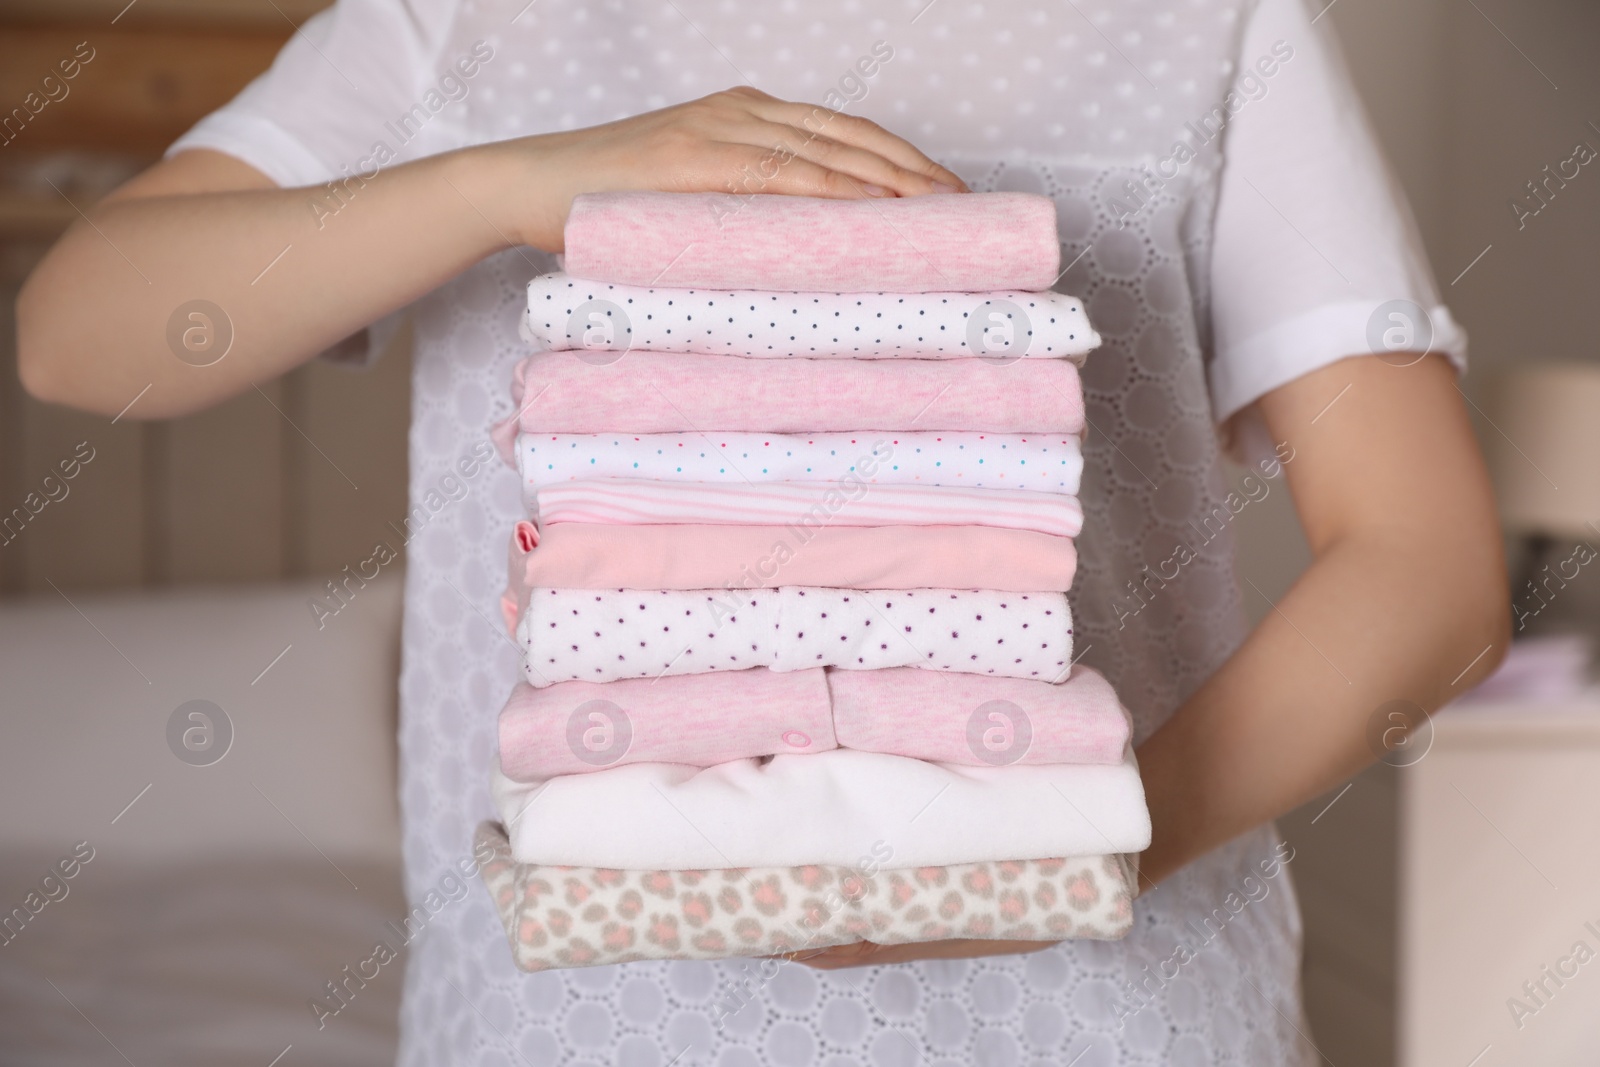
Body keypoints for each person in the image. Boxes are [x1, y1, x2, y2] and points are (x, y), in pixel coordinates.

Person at [17, 0, 1508, 1061]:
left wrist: (1059, 855)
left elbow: (1427, 571)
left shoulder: (1208, 24)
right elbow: (78, 334)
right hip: (590, 1027)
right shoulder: (459, 25)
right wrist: (512, 183)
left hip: (1112, 1010)